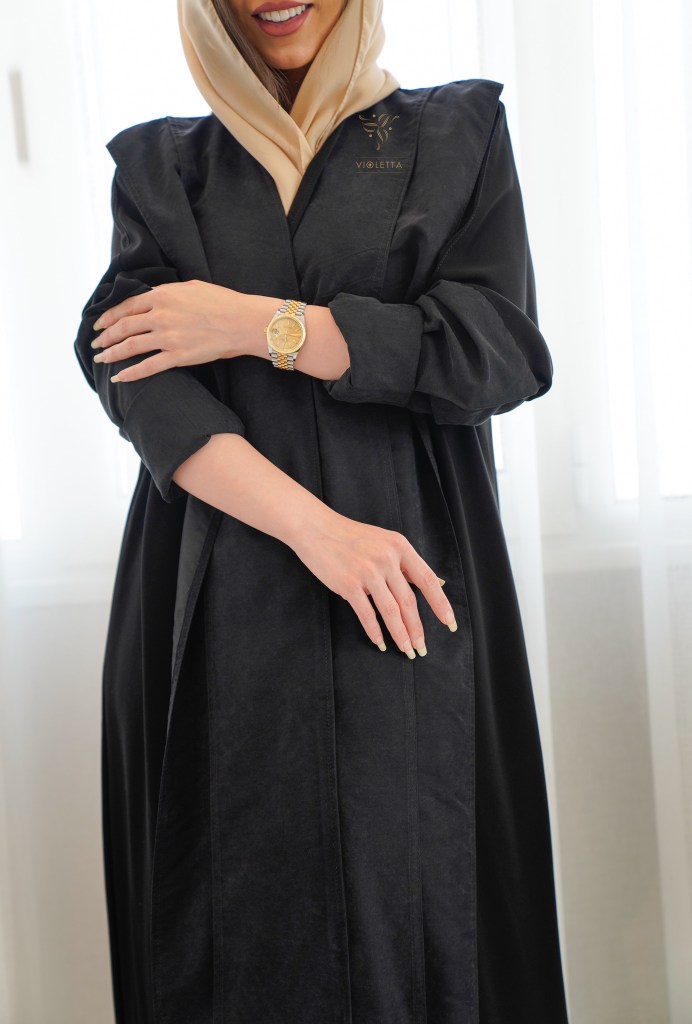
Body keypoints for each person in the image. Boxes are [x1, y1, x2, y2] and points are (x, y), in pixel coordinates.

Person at [73, 0, 570, 1021]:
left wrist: (259, 324)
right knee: (235, 930)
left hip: (410, 593)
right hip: (220, 594)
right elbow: (135, 379)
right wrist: (319, 531)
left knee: (418, 918)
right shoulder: (163, 169)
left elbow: (494, 350)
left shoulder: (455, 134)